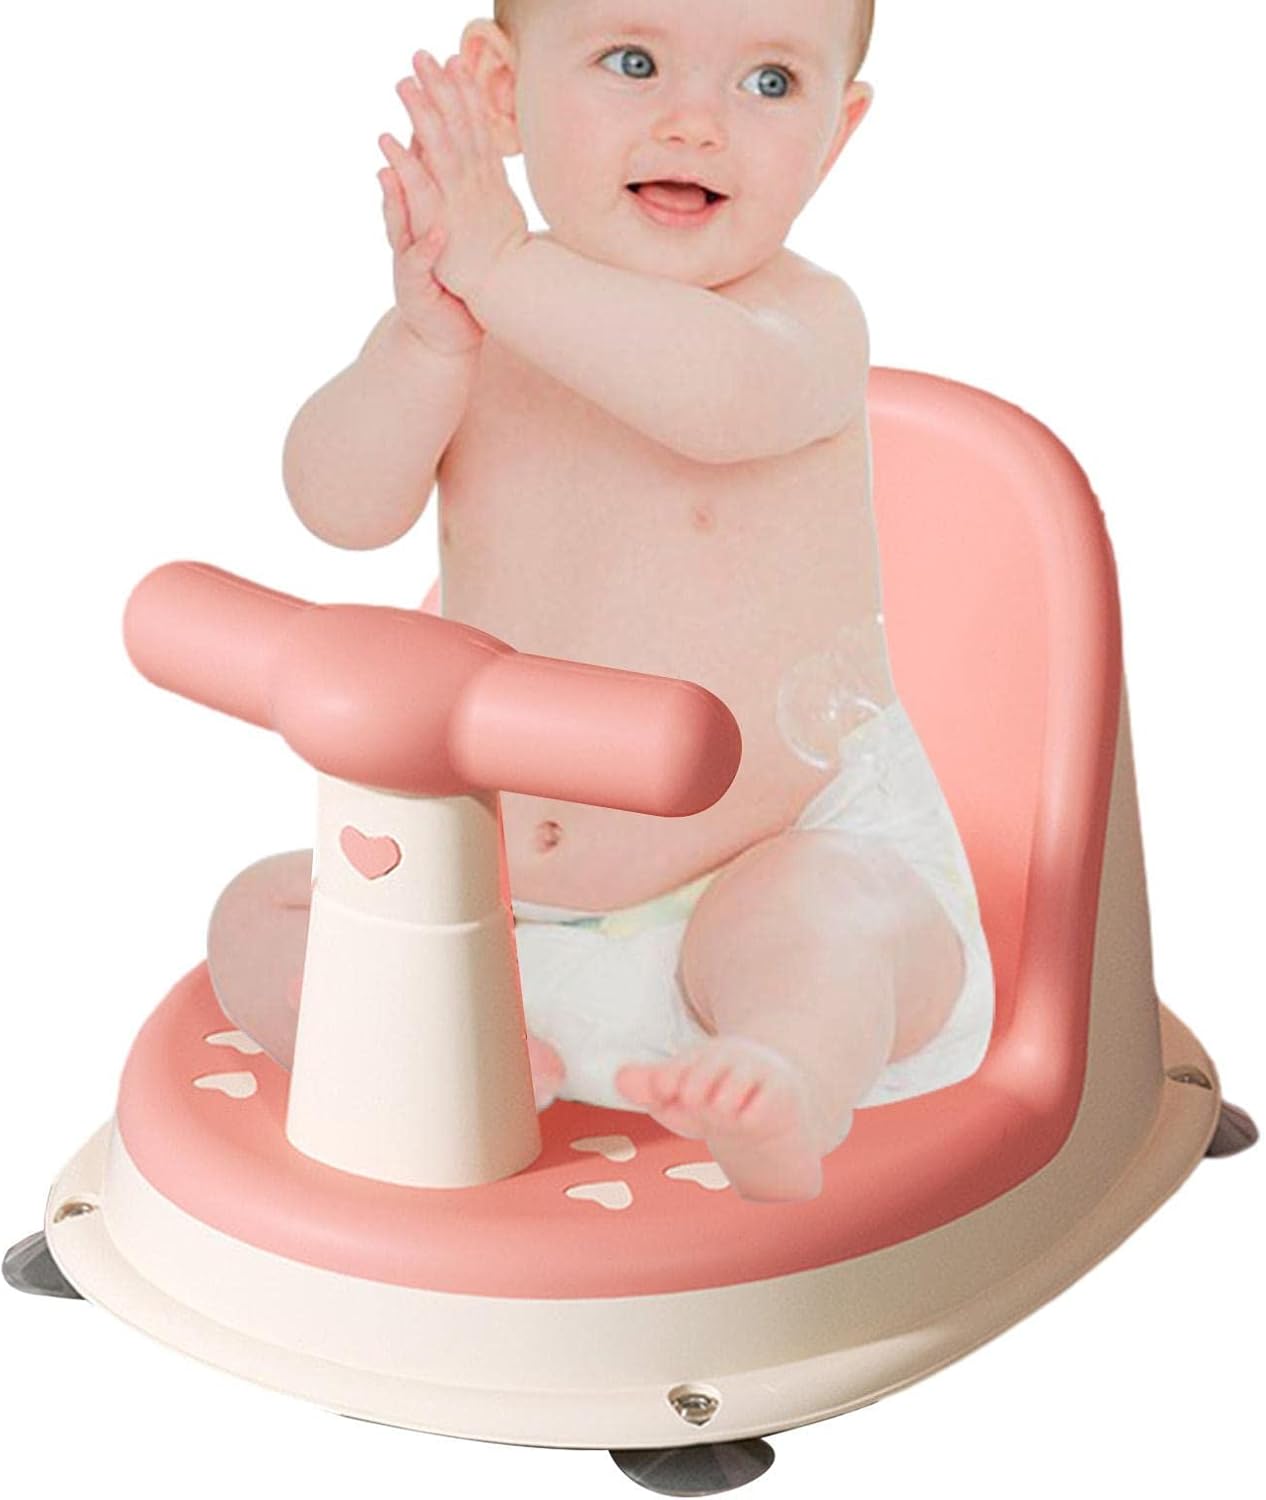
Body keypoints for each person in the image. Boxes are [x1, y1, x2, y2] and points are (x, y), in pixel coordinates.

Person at [210, 0, 994, 1202]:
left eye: (770, 83)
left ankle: (781, 1082)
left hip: (761, 868)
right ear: (502, 92)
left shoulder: (799, 325)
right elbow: (339, 506)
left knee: (829, 922)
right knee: (256, 913)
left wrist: (503, 266)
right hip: (500, 910)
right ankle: (454, 1061)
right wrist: (422, 346)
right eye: (633, 62)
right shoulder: (471, 327)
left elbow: (715, 402)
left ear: (835, 138)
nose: (697, 122)